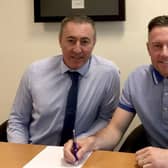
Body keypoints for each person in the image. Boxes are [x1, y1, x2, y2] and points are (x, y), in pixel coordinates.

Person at [64, 15, 168, 168]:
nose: (164, 53)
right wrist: (90, 142)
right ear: (148, 49)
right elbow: (115, 129)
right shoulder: (137, 79)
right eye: (157, 46)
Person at [7, 15, 120, 146]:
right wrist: (20, 154)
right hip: (37, 150)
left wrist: (80, 142)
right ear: (60, 41)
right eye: (71, 40)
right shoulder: (34, 72)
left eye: (84, 41)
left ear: (94, 43)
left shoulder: (108, 74)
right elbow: (18, 120)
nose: (77, 49)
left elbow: (106, 118)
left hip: (82, 152)